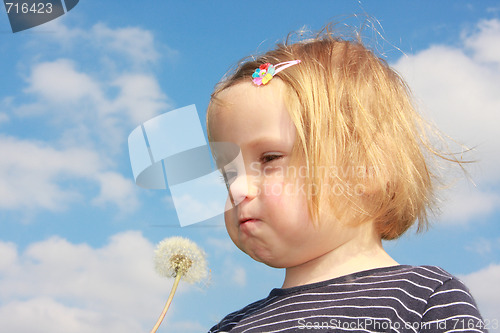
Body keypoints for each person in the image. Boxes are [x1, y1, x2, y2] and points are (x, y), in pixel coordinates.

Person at [205, 26, 487, 332]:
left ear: (367, 166)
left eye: (270, 159)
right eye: (228, 174)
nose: (236, 188)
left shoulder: (425, 300)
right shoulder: (232, 326)